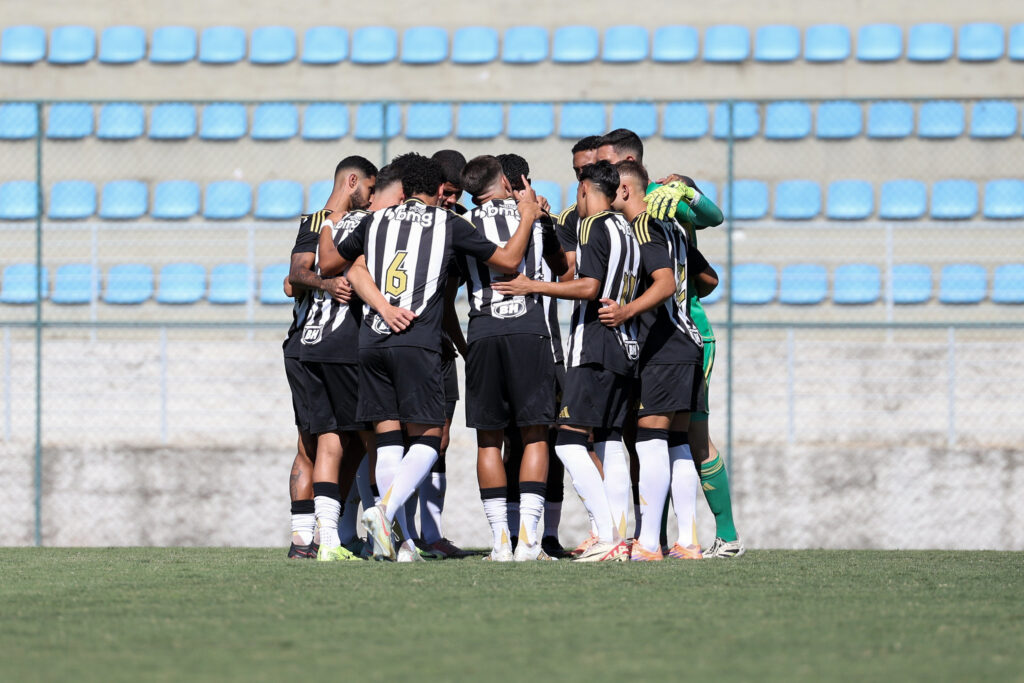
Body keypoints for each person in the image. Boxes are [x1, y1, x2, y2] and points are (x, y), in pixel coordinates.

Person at [321, 153, 542, 562]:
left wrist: (330, 221)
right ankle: (385, 513)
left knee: (387, 441)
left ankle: (402, 546)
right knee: (428, 438)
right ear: (439, 191)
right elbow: (509, 261)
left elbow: (332, 263)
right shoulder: (448, 222)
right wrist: (526, 215)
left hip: (372, 341)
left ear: (401, 190)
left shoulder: (374, 221)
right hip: (417, 341)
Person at [597, 129, 743, 558]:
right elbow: (707, 276)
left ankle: (720, 536)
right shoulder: (636, 215)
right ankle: (673, 538)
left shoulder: (659, 203)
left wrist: (689, 194)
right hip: (663, 335)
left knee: (681, 436)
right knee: (663, 437)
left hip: (676, 334)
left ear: (624, 166)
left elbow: (714, 218)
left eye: (605, 165)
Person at [494, 161, 640, 563]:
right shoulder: (627, 228)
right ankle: (617, 535)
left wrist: (532, 285)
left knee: (569, 442)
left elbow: (590, 286)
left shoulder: (593, 226)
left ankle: (607, 536)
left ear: (584, 190)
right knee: (608, 444)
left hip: (592, 345)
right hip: (623, 348)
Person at [458, 155, 567, 561]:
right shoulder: (535, 214)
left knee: (489, 439)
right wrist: (537, 214)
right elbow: (563, 269)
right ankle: (529, 542)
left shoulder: (463, 223)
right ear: (507, 180)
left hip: (483, 329)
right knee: (535, 434)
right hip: (529, 328)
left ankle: (500, 541)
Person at [293, 156, 377, 562]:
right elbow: (297, 275)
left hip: (314, 344)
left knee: (338, 443)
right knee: (324, 443)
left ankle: (323, 537)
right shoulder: (318, 222)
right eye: (370, 188)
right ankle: (312, 536)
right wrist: (327, 282)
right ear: (352, 181)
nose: (372, 196)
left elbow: (293, 282)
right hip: (328, 343)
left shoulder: (346, 223)